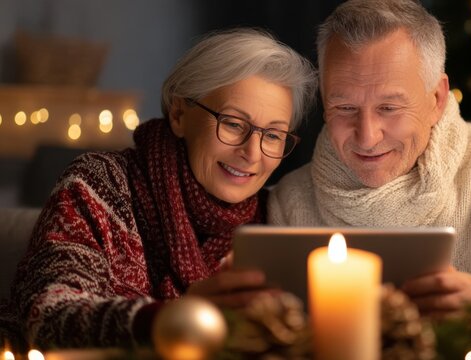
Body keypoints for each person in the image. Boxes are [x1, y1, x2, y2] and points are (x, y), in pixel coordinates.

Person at [7, 28, 317, 349]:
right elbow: (48, 315)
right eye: (234, 124)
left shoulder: (277, 218)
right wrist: (176, 318)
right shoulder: (100, 183)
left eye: (273, 135)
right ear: (180, 114)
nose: (253, 153)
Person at [268, 0, 471, 317]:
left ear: (437, 99)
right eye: (345, 108)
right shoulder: (290, 202)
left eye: (389, 108)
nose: (367, 136)